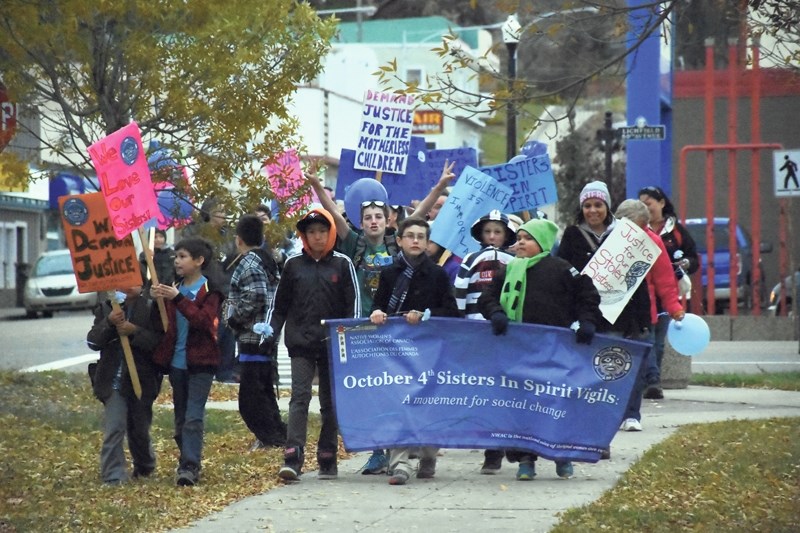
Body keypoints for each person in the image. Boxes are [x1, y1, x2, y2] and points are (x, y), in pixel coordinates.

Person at [306, 162, 455, 475]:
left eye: (379, 216)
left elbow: (420, 214)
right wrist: (319, 188)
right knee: (371, 390)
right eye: (367, 217)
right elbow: (333, 213)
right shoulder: (354, 243)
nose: (373, 221)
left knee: (397, 387)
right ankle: (378, 451)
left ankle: (403, 447)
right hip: (364, 327)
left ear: (389, 220)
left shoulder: (395, 241)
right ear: (359, 222)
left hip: (397, 327)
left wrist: (439, 188)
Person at [478, 218, 601, 481]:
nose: (520, 242)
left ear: (542, 243)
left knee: (555, 404)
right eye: (519, 237)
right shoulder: (509, 270)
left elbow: (587, 295)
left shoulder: (562, 269)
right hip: (518, 351)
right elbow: (486, 297)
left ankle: (562, 455)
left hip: (554, 352)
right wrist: (496, 313)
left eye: (527, 238)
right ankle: (525, 459)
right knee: (523, 407)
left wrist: (587, 321)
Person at [266, 208, 359, 481]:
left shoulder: (342, 264)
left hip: (332, 343)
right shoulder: (293, 265)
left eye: (322, 231)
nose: (317, 237)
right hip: (300, 342)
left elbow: (352, 306)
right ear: (304, 236)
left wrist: (348, 337)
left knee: (329, 402)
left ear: (330, 233)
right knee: (299, 398)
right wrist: (270, 331)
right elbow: (279, 306)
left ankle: (327, 457)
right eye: (311, 232)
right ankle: (293, 456)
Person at [369, 218, 460, 485]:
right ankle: (399, 463)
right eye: (410, 235)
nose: (416, 240)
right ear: (399, 240)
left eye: (421, 236)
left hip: (429, 349)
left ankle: (428, 454)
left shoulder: (437, 274)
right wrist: (376, 313)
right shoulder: (389, 273)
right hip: (396, 350)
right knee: (398, 401)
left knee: (428, 403)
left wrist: (426, 315)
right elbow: (378, 306)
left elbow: (451, 311)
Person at [150, 237, 226, 486]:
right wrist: (156, 298)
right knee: (181, 418)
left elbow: (204, 321)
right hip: (177, 364)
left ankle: (189, 467)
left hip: (201, 363)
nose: (177, 261)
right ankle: (188, 459)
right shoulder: (174, 287)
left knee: (194, 416)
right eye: (176, 257)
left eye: (183, 256)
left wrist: (177, 299)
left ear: (199, 260)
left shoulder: (210, 291)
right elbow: (164, 325)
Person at [453, 210, 516, 475]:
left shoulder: (513, 262)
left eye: (497, 232)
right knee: (484, 390)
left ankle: (497, 450)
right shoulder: (469, 260)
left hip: (506, 332)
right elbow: (459, 291)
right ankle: (489, 440)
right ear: (480, 234)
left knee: (505, 389)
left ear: (506, 235)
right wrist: (463, 322)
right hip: (476, 332)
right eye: (488, 231)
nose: (492, 236)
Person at [613, 200, 685, 432]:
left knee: (638, 366)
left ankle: (632, 413)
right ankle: (616, 412)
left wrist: (674, 307)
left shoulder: (653, 242)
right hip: (614, 313)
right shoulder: (611, 242)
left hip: (643, 314)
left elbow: (665, 279)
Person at [87, 285, 164, 485]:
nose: (128, 286)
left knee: (139, 427)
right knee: (115, 426)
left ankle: (145, 463)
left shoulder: (149, 308)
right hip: (112, 379)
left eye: (133, 281)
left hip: (141, 379)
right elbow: (93, 341)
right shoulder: (106, 308)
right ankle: (113, 474)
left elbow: (159, 342)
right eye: (122, 281)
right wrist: (109, 323)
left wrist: (135, 331)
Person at [224, 215, 286, 451]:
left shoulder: (249, 263)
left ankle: (271, 437)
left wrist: (234, 317)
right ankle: (275, 434)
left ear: (238, 240)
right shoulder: (266, 259)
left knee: (250, 398)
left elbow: (257, 295)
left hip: (254, 336)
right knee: (263, 390)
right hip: (264, 336)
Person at [638, 186, 700, 399]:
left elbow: (694, 260)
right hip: (642, 294)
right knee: (646, 339)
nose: (645, 208)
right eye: (641, 205)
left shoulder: (676, 231)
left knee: (658, 342)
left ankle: (653, 380)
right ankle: (651, 381)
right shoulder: (637, 231)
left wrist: (684, 264)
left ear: (661, 203)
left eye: (648, 203)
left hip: (667, 293)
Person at [182, 197, 240, 383]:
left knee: (227, 329)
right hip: (204, 288)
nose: (222, 215)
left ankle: (225, 371)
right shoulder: (195, 232)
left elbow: (234, 258)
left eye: (224, 211)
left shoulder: (229, 235)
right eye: (218, 211)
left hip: (226, 288)